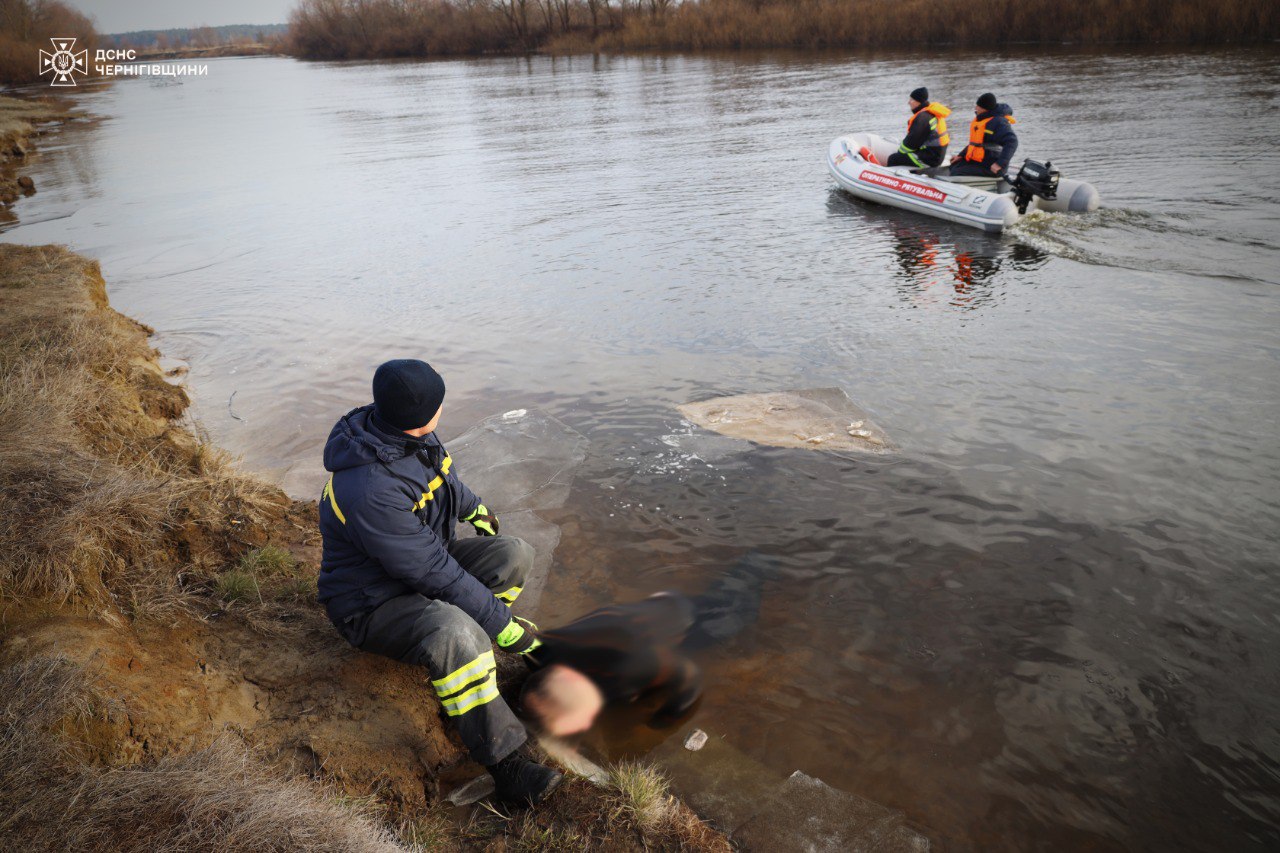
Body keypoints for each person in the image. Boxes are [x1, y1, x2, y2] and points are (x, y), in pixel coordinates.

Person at [318, 358, 562, 806]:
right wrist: (505, 628)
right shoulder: (369, 488)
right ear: (424, 412)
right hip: (370, 603)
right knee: (456, 629)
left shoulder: (398, 431)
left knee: (514, 554)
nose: (442, 411)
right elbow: (433, 571)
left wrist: (475, 510)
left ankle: (475, 659)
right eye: (439, 403)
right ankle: (506, 765)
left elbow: (443, 477)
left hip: (419, 565)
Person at [519, 555, 771, 737]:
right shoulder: (543, 650)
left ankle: (761, 563)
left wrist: (664, 720)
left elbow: (689, 680)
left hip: (682, 620)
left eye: (580, 720)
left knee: (737, 614)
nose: (586, 726)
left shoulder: (636, 664)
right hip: (648, 615)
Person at [949, 92, 1019, 177]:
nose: (976, 108)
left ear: (984, 109)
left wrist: (999, 164)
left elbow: (1012, 142)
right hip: (982, 161)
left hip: (993, 165)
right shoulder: (982, 119)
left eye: (978, 106)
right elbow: (975, 144)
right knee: (954, 165)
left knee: (957, 171)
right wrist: (960, 156)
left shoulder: (999, 122)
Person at [885, 86, 951, 169]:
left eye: (911, 100)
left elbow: (911, 143)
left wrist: (900, 153)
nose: (909, 102)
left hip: (929, 159)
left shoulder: (922, 117)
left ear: (918, 102)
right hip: (936, 156)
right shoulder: (932, 113)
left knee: (893, 158)